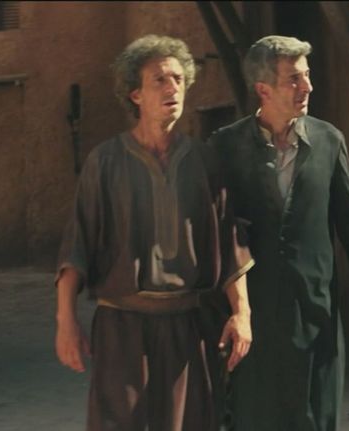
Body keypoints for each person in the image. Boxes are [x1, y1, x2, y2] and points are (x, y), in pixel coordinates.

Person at [54, 34, 253, 431]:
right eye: (160, 80)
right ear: (135, 94)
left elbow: (230, 242)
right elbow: (77, 246)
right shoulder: (105, 162)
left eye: (179, 79)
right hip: (122, 327)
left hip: (187, 327)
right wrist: (66, 322)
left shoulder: (203, 161)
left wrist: (241, 313)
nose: (172, 88)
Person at [208, 35, 349, 431]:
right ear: (263, 90)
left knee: (315, 418)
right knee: (254, 419)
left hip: (315, 313)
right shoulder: (226, 147)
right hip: (254, 317)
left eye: (307, 75)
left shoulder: (328, 140)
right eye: (294, 79)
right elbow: (214, 232)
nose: (307, 86)